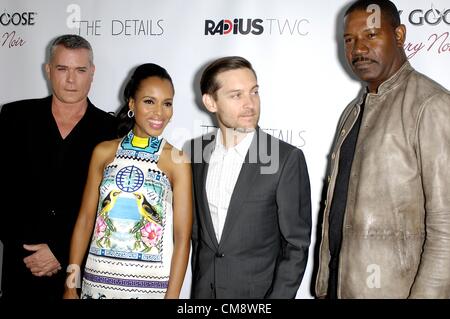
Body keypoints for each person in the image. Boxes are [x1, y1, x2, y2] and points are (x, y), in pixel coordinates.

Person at [315, 0, 450, 299]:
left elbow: (446, 227)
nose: (358, 49)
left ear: (399, 35)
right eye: (350, 40)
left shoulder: (432, 105)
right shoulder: (353, 111)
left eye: (371, 35)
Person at [0, 34, 117, 299]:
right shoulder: (14, 118)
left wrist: (59, 251)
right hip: (21, 272)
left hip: (80, 277)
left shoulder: (112, 131)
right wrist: (27, 251)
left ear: (92, 73)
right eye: (63, 69)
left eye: (80, 70)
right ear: (48, 70)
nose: (71, 79)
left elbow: (109, 209)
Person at [63, 63, 192, 299]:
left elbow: (183, 238)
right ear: (132, 103)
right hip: (97, 283)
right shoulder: (103, 152)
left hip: (151, 289)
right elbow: (85, 220)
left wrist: (172, 297)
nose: (160, 113)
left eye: (167, 103)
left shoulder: (177, 161)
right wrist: (70, 285)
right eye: (149, 101)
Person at [190, 56, 312, 298]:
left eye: (254, 92)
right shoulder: (196, 153)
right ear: (210, 102)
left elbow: (296, 246)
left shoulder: (284, 158)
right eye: (236, 95)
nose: (250, 104)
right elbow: (198, 235)